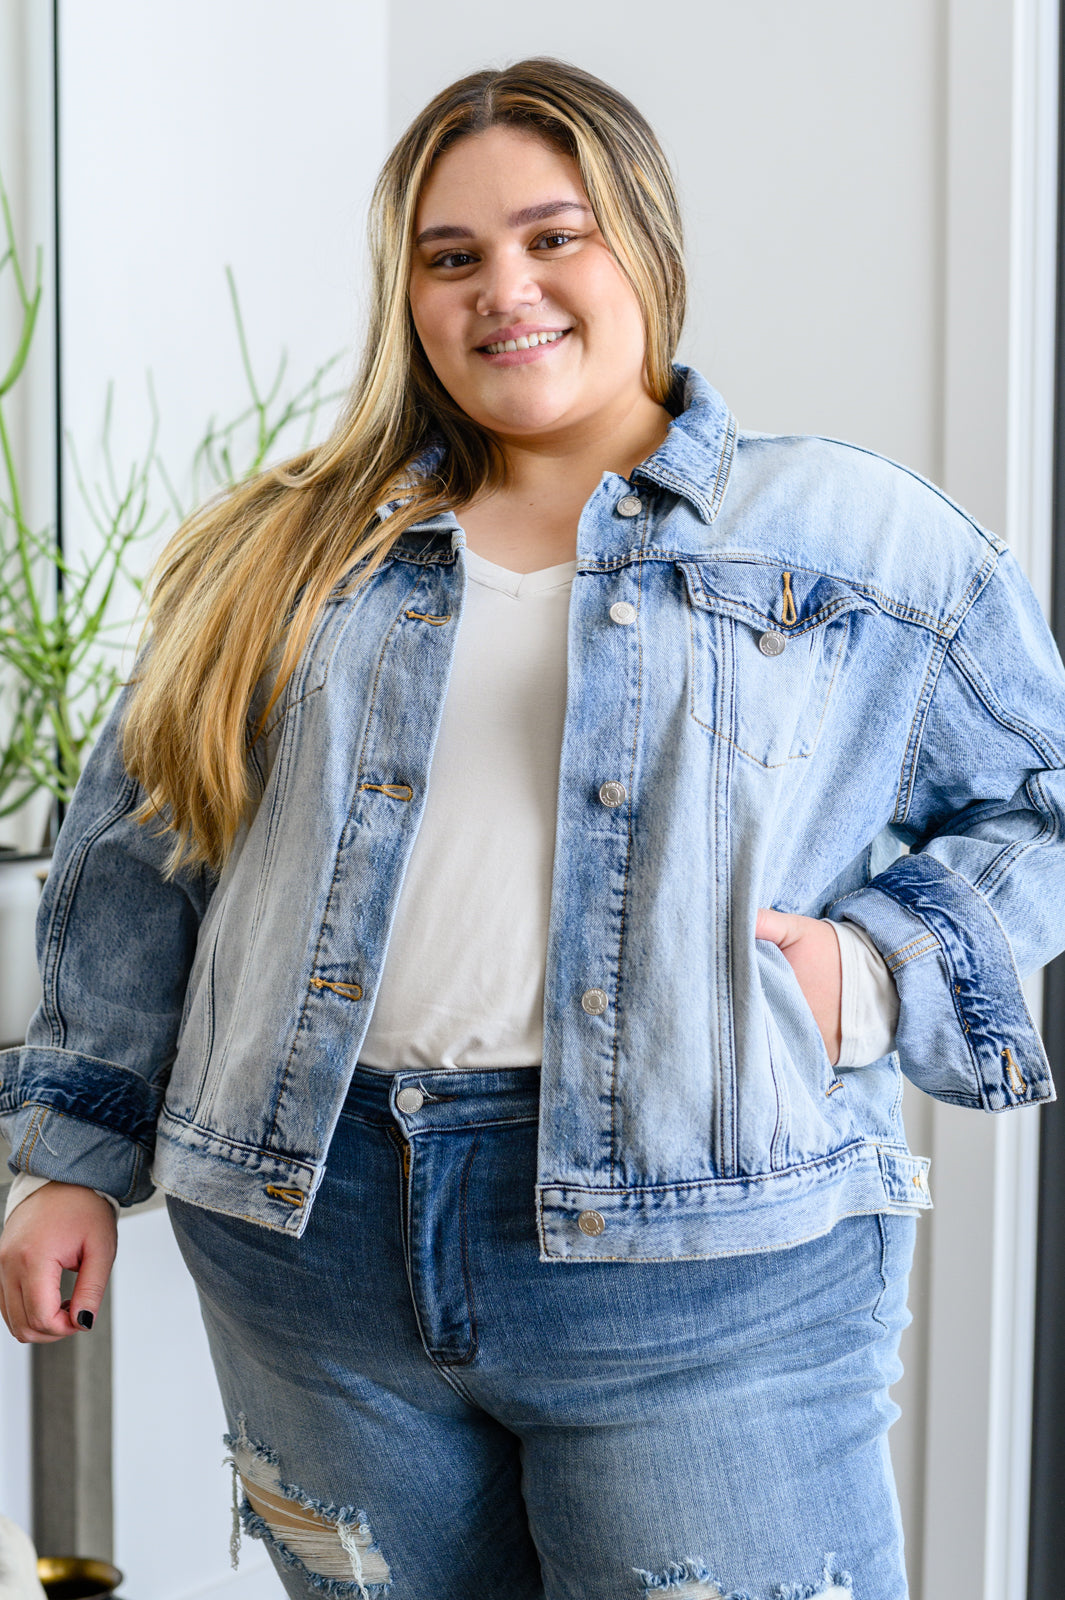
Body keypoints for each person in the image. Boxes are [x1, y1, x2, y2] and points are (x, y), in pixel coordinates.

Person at [1, 56, 1063, 1600]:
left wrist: (875, 973)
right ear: (407, 293)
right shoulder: (282, 548)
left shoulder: (850, 535)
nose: (505, 289)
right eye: (452, 256)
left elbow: (1042, 799)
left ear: (644, 245)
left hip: (707, 1268)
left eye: (553, 236)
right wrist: (69, 1163)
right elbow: (144, 854)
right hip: (311, 1250)